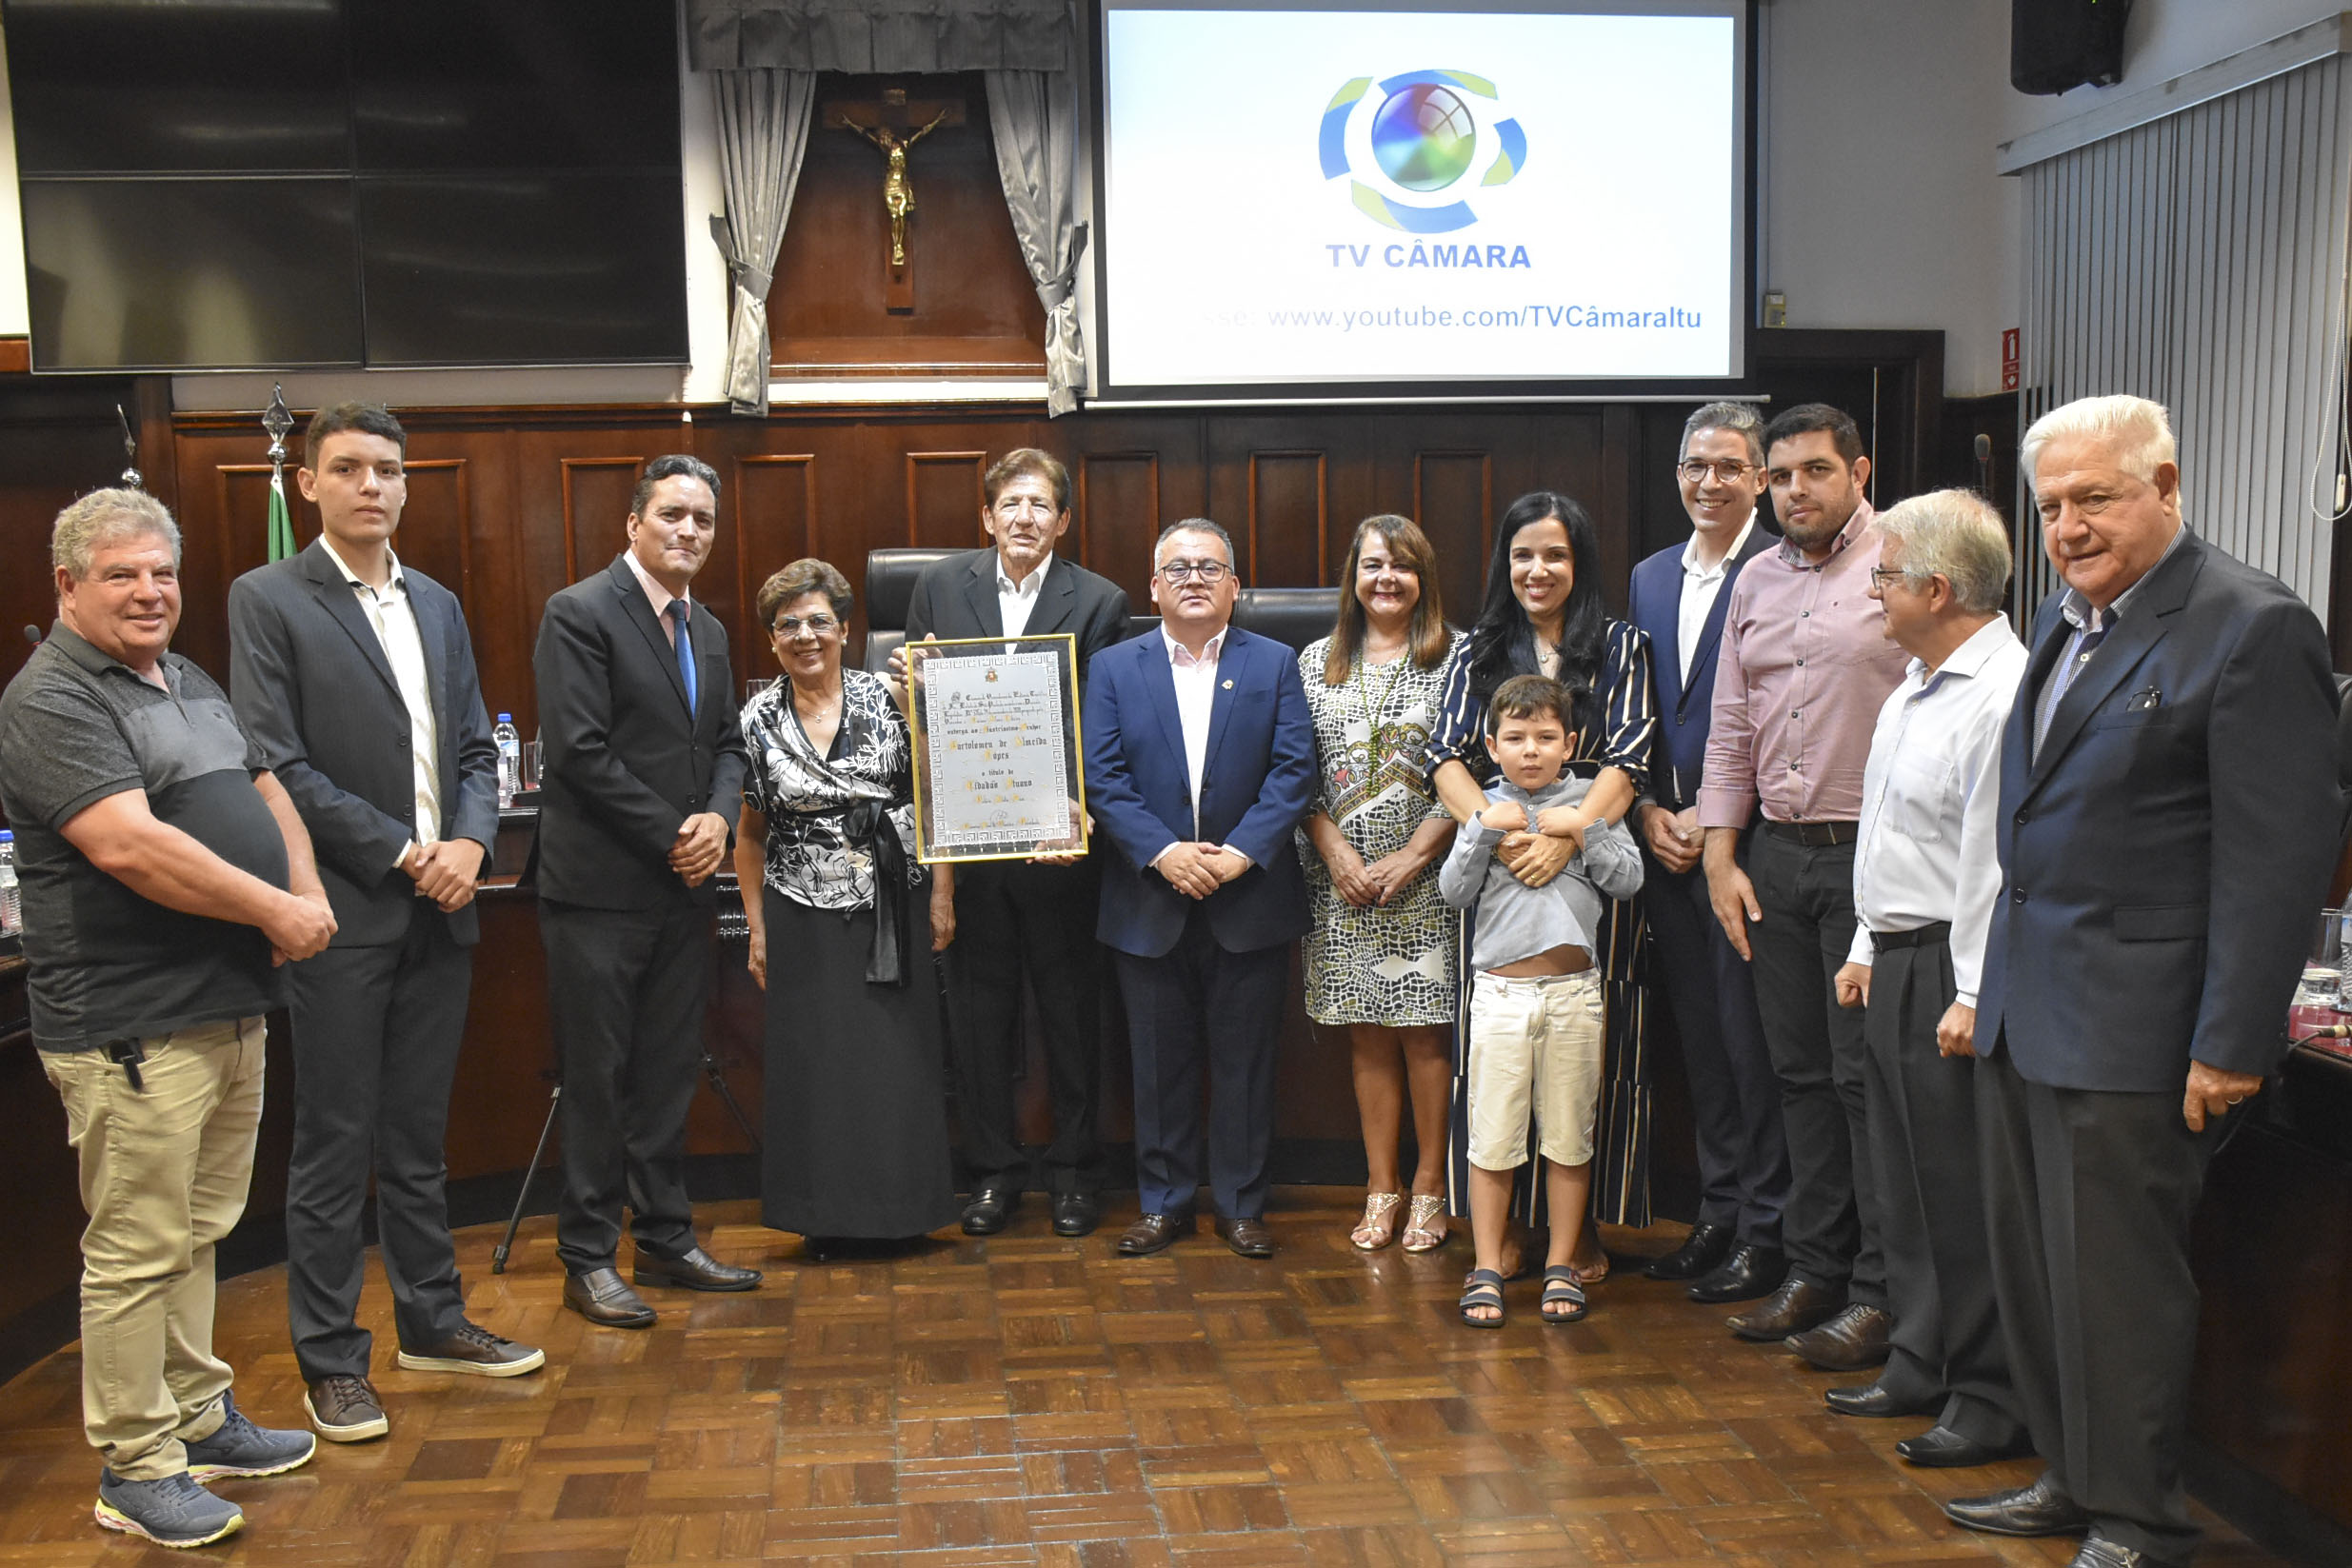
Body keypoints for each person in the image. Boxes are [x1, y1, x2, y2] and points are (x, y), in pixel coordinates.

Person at [1944, 396, 2340, 1568]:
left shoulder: (2249, 626)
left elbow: (2276, 861)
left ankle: (2135, 1520)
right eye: (2051, 505)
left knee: (2120, 1295)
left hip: (2143, 1034)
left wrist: (2230, 1041)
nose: (2068, 525)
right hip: (2032, 1011)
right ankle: (2072, 1475)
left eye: (2095, 497)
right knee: (2041, 1277)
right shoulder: (2070, 620)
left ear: (2165, 484)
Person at [0, 490, 330, 1548]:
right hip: (129, 1022)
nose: (150, 593)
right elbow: (129, 847)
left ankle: (195, 1417)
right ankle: (136, 1466)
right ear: (66, 586)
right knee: (138, 1250)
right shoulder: (51, 697)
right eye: (120, 575)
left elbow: (265, 792)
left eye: (162, 574)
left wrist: (305, 892)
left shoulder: (183, 676)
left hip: (227, 1005)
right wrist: (274, 907)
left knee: (197, 1233)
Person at [228, 404, 540, 1448]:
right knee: (332, 1144)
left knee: (417, 1141)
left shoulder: (438, 602)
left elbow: (474, 751)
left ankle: (433, 1322)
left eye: (389, 470)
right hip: (344, 913)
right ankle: (330, 1361)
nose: (372, 485)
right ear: (308, 484)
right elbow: (276, 761)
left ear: (407, 486)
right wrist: (405, 853)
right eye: (349, 468)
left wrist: (470, 845)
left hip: (442, 910)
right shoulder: (268, 597)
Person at [1696, 404, 1909, 1366]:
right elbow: (1731, 726)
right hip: (1775, 856)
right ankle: (1813, 1271)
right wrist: (1717, 847)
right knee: (1797, 1076)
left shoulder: (1906, 560)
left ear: (1859, 473)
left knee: (1864, 1081)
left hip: (1876, 857)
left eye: (1815, 472)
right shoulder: (1755, 579)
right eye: (1780, 476)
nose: (1795, 491)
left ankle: (1878, 1291)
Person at [1826, 489, 2030, 1466]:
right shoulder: (1915, 682)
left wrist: (1971, 992)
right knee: (1901, 1185)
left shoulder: (2003, 693)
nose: (1873, 592)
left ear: (1937, 588)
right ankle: (1916, 1357)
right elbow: (1888, 833)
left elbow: (1994, 862)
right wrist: (1866, 947)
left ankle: (1985, 1396)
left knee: (1959, 1193)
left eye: (1883, 575)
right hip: (1898, 957)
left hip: (1954, 968)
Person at [532, 453, 760, 1329]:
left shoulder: (706, 627)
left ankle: (665, 1237)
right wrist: (678, 830)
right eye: (673, 515)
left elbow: (730, 744)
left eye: (703, 519)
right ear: (634, 523)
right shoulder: (581, 612)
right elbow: (581, 753)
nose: (690, 531)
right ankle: (586, 1255)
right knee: (600, 1077)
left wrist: (715, 816)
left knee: (668, 1071)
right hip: (598, 892)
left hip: (683, 890)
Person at [900, 448, 1130, 1240]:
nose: (1025, 517)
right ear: (987, 517)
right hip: (969, 846)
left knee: (1071, 1017)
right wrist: (911, 690)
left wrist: (1075, 815)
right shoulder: (938, 587)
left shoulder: (1098, 600)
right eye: (1011, 504)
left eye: (1041, 505)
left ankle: (1073, 1173)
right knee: (977, 1018)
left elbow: (1099, 725)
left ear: (1063, 521)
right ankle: (991, 1174)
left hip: (1059, 849)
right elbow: (923, 724)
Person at [1429, 491, 1656, 1282]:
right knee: (1498, 1073)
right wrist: (1511, 831)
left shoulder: (1622, 643)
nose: (1538, 569)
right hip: (1495, 870)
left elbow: (1629, 759)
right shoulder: (1476, 647)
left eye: (1555, 554)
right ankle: (1502, 1240)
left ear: (1579, 563)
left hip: (1590, 873)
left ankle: (1576, 1235)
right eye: (1523, 554)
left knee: (1583, 1072)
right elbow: (1445, 758)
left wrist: (1569, 832)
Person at [1085, 518, 1317, 1260]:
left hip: (1247, 899)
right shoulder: (1115, 666)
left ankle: (1243, 1204)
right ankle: (1164, 1203)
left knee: (1247, 1065)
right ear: (1152, 587)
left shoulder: (1276, 662)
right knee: (1157, 1065)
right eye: (1177, 567)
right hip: (1148, 898)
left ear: (1235, 587)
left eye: (1210, 567)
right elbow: (1103, 775)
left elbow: (1294, 771)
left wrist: (1240, 854)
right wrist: (1163, 852)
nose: (1194, 577)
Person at [737, 559, 959, 1252]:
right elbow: (748, 834)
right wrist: (757, 925)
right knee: (815, 1066)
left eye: (818, 621)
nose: (806, 635)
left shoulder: (890, 698)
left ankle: (900, 1211)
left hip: (893, 900)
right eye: (788, 625)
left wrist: (944, 893)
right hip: (800, 908)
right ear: (772, 640)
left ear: (844, 628)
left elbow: (937, 796)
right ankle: (822, 1216)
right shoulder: (755, 717)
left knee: (894, 1062)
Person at [1625, 403, 1789, 1303]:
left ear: (1760, 480)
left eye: (1731, 466)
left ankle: (1768, 1230)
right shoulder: (1652, 575)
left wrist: (1720, 824)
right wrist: (1649, 808)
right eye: (1696, 465)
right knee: (1700, 1042)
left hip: (1748, 852)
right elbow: (1641, 711)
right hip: (1662, 847)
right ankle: (1717, 1215)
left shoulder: (1784, 568)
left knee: (1752, 1046)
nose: (1710, 481)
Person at [1441, 676, 1644, 1328]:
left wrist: (1587, 830)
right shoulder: (1486, 806)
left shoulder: (1587, 804)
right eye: (1517, 738)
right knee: (1494, 1135)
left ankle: (1561, 1260)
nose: (1532, 750)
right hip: (1499, 995)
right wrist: (1479, 830)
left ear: (1571, 743)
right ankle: (1487, 1265)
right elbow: (1453, 892)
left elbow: (1628, 880)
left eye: (1546, 738)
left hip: (1575, 994)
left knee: (1567, 1135)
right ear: (1493, 748)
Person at [1298, 514, 1461, 1252]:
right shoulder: (1311, 661)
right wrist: (1334, 851)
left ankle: (1430, 1186)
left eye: (1400, 565)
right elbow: (1291, 770)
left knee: (1424, 1035)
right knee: (1366, 1036)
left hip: (1424, 878)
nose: (1385, 578)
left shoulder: (1457, 657)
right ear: (1352, 577)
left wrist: (1414, 857)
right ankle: (1380, 1185)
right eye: (1371, 565)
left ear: (1422, 576)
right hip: (1343, 882)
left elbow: (1474, 771)